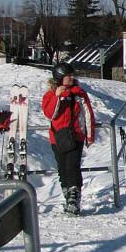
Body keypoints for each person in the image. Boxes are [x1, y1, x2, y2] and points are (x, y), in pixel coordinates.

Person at [41, 62, 95, 215]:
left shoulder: (79, 94)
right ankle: (67, 196)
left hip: (75, 135)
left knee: (72, 166)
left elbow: (88, 114)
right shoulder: (50, 94)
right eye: (68, 76)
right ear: (59, 77)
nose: (72, 78)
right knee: (63, 168)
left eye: (72, 75)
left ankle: (74, 198)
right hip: (57, 137)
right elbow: (50, 114)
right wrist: (58, 97)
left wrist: (90, 135)